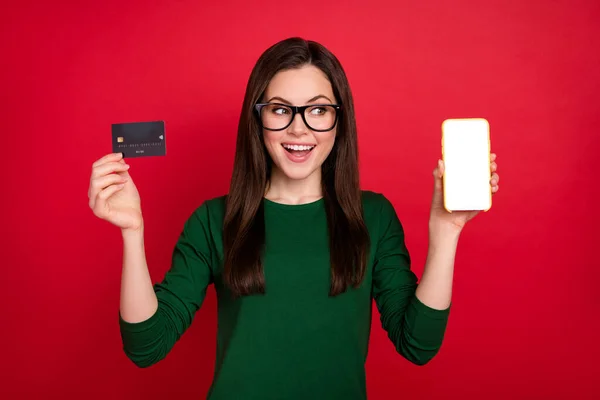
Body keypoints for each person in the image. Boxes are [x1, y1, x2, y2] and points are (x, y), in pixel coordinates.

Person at [88, 37, 500, 400]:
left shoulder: (373, 216)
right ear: (258, 119)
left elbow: (418, 344)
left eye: (318, 111)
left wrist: (447, 231)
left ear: (339, 122)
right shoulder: (214, 221)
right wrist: (132, 232)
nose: (299, 129)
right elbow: (147, 345)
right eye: (281, 110)